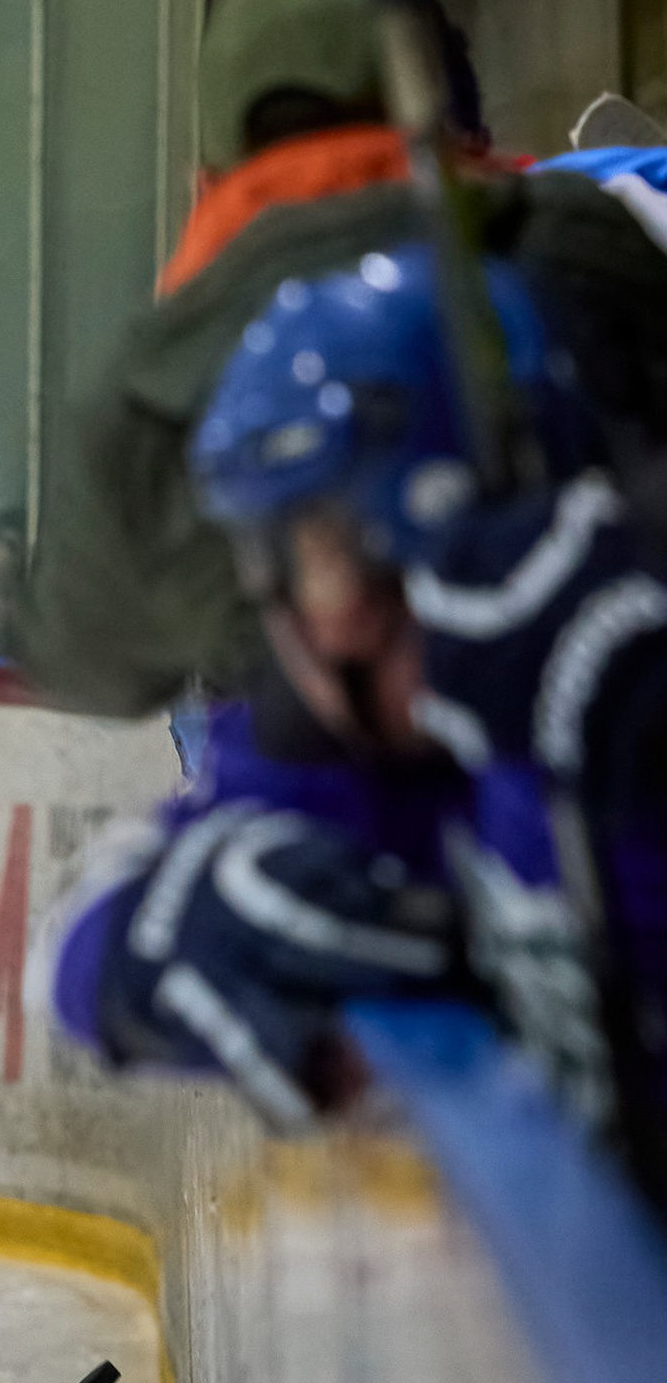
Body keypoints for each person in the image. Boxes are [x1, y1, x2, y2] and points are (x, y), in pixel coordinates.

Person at [36, 246, 667, 1167]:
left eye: (314, 549)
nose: (302, 621)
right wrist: (147, 947)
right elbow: (67, 963)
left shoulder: (624, 649)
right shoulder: (351, 746)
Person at [17, 0, 667, 723]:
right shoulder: (576, 244)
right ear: (428, 119)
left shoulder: (149, 386)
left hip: (328, 792)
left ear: (205, 182)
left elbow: (86, 667)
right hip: (605, 764)